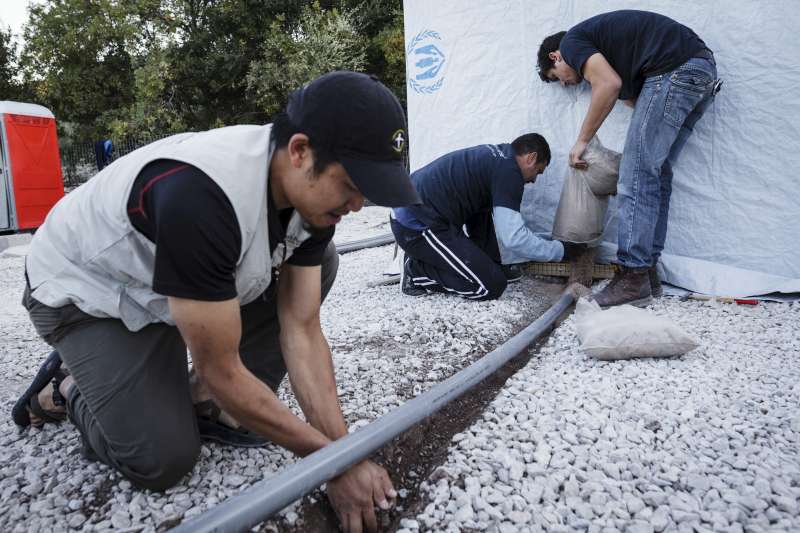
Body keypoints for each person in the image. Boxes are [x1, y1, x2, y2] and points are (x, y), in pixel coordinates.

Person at [12, 71, 420, 533]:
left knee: (319, 261)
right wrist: (332, 465)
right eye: (351, 184)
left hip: (171, 285)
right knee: (162, 459)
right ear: (300, 150)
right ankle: (68, 387)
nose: (358, 205)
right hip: (89, 293)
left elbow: (302, 330)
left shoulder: (308, 195)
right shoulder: (200, 197)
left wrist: (344, 449)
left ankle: (206, 407)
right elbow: (220, 369)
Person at [537, 9, 720, 307]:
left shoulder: (572, 42)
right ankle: (647, 272)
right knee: (655, 172)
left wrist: (582, 141)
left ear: (556, 57)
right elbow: (634, 100)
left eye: (556, 78)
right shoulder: (623, 57)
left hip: (675, 69)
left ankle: (633, 276)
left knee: (635, 174)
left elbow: (607, 85)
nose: (565, 84)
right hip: (701, 73)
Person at [391, 134, 581, 300]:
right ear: (531, 158)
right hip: (416, 224)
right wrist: (560, 251)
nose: (534, 180)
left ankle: (490, 265)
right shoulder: (510, 173)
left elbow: (478, 214)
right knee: (489, 286)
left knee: (483, 207)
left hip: (422, 212)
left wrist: (492, 263)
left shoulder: (499, 158)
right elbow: (514, 238)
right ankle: (415, 271)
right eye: (538, 171)